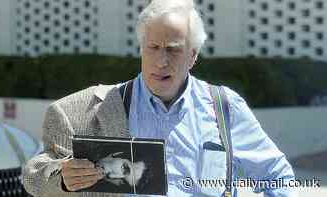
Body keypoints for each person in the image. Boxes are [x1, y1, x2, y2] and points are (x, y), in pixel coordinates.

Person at [23, 0, 297, 196]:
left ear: (193, 56)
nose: (161, 61)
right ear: (142, 49)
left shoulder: (225, 108)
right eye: (153, 47)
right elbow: (32, 176)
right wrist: (62, 178)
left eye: (173, 50)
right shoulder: (89, 109)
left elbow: (277, 175)